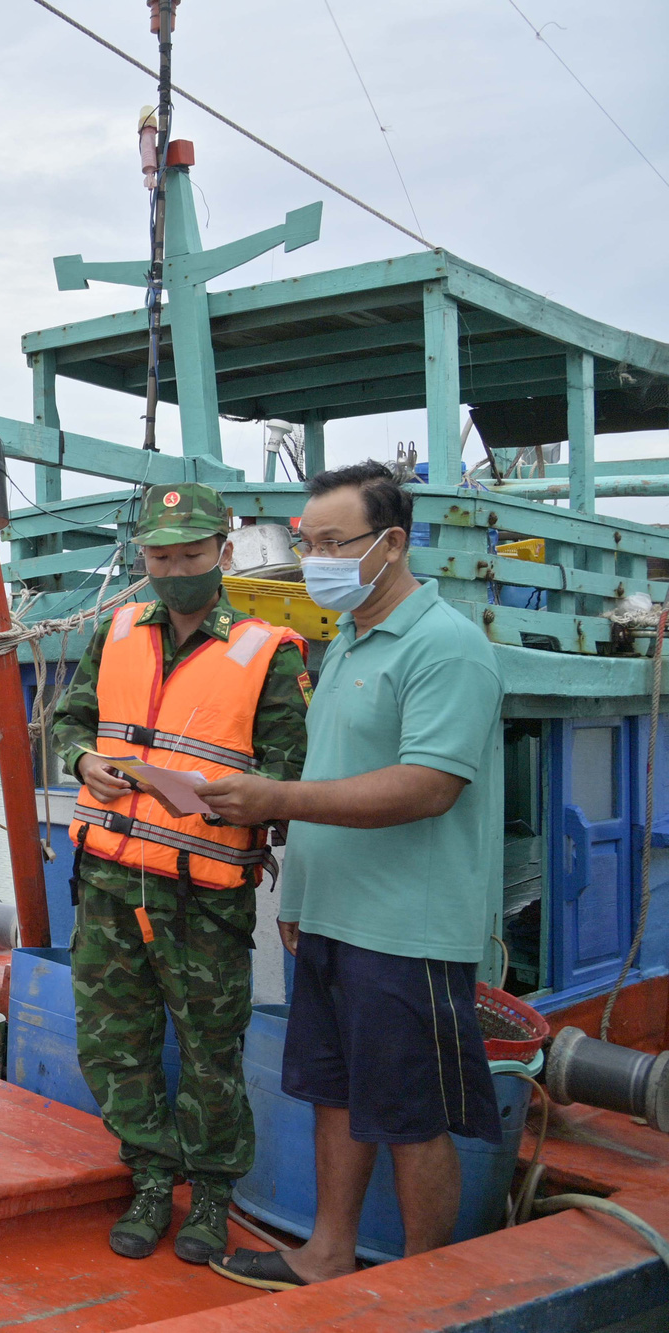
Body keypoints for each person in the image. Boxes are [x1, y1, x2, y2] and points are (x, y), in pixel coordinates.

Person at [205, 461, 504, 1291]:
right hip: (334, 916)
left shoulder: (447, 646)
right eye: (308, 544)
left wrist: (277, 795)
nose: (315, 561)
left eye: (334, 542)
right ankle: (328, 1250)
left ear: (393, 542)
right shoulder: (347, 645)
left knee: (413, 1113)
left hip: (409, 927)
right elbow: (336, 772)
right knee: (335, 1094)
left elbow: (428, 785)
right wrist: (298, 896)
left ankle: (423, 1281)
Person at [49, 482, 311, 1266]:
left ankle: (214, 1195)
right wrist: (85, 759)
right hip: (107, 881)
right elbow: (69, 716)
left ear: (222, 553)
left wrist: (248, 796)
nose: (175, 569)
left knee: (209, 1049)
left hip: (204, 893)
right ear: (143, 558)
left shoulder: (271, 650)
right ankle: (153, 1178)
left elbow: (291, 770)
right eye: (160, 555)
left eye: (191, 554)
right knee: (114, 1042)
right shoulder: (118, 628)